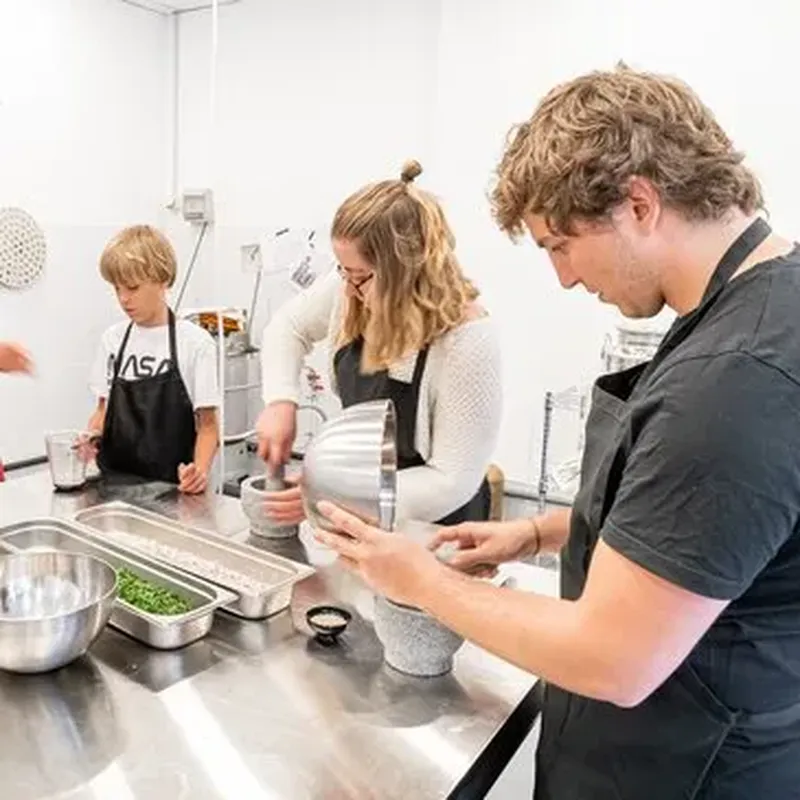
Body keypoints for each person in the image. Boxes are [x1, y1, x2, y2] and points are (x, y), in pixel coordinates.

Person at [312, 66, 800, 799]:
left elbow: (614, 657)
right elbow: (709, 525)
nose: (564, 279)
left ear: (639, 205)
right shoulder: (761, 306)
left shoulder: (736, 378)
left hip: (679, 769)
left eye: (559, 245)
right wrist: (539, 532)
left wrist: (422, 581)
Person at [257, 160, 502, 526]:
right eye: (343, 271)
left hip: (437, 526)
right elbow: (287, 327)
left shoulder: (466, 339)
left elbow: (451, 480)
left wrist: (334, 497)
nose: (348, 290)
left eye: (360, 276)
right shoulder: (349, 287)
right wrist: (281, 400)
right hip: (362, 506)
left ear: (406, 269)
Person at [85, 225, 220, 494]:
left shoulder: (195, 343)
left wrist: (198, 473)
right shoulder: (112, 339)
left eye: (133, 288)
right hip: (112, 486)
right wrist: (90, 439)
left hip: (172, 491)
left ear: (162, 280)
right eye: (117, 289)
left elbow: (208, 426)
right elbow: (102, 410)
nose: (124, 299)